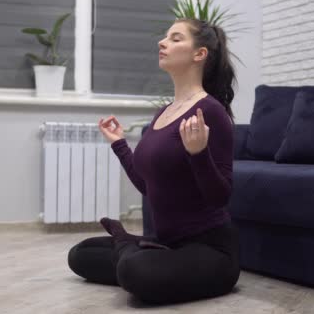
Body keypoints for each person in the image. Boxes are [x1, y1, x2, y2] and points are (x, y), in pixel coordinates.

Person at [67, 18, 239, 305]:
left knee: (137, 272)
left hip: (210, 250)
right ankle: (139, 247)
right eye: (165, 37)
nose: (162, 43)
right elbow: (149, 186)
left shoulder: (211, 111)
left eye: (175, 38)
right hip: (167, 244)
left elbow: (220, 197)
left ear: (200, 54)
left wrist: (199, 154)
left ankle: (131, 246)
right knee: (81, 254)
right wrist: (119, 144)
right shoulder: (164, 113)